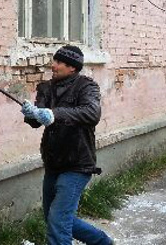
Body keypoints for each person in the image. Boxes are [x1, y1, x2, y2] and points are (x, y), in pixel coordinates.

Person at [21, 45, 113, 245]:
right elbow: (38, 121)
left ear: (72, 67)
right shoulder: (46, 88)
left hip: (78, 163)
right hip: (54, 161)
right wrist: (31, 114)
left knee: (58, 221)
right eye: (54, 61)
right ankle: (102, 242)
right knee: (54, 218)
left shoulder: (86, 87)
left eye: (58, 62)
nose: (53, 65)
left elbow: (91, 113)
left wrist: (55, 114)